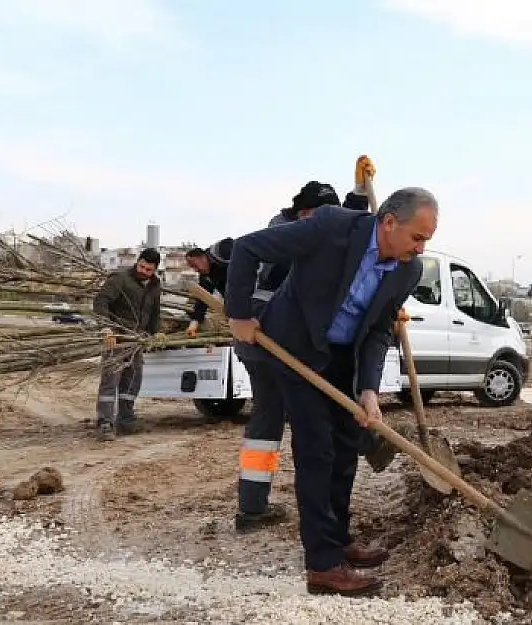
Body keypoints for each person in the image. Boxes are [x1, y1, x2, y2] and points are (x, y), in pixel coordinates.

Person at [224, 186, 437, 596]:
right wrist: (239, 315)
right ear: (389, 222)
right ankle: (322, 565)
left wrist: (369, 389)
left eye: (427, 239)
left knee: (346, 447)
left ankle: (337, 540)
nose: (422, 247)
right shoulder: (329, 227)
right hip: (295, 347)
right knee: (317, 449)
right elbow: (249, 249)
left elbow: (377, 331)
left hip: (343, 357)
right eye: (417, 237)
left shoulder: (408, 270)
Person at [234, 163, 394, 535]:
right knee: (295, 420)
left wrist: (358, 192)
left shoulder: (315, 229)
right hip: (266, 341)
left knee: (284, 419)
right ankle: (259, 510)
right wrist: (239, 315)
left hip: (280, 344)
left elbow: (353, 242)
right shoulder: (285, 234)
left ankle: (254, 508)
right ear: (305, 213)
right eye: (324, 213)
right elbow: (337, 249)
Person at [91, 248, 166, 442]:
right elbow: (101, 302)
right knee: (110, 381)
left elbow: (155, 313)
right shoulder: (120, 279)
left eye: (148, 269)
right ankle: (104, 423)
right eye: (141, 266)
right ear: (137, 261)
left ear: (155, 269)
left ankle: (126, 419)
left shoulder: (155, 286)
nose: (143, 271)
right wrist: (106, 328)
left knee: (133, 380)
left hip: (136, 340)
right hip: (116, 338)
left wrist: (157, 331)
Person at [184, 239, 233, 338]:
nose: (195, 270)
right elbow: (202, 300)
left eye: (194, 265)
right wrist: (193, 325)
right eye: (192, 268)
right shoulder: (205, 276)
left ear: (202, 258)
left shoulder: (221, 253)